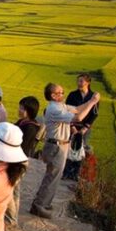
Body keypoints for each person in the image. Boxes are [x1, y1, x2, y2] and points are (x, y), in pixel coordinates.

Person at [30, 83, 100, 219]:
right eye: (60, 92)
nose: (63, 94)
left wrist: (90, 102)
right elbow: (78, 118)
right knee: (52, 177)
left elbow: (78, 109)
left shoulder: (60, 106)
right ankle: (39, 205)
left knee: (54, 177)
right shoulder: (54, 109)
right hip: (56, 146)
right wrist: (92, 102)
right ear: (53, 95)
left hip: (60, 145)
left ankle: (44, 202)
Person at [5, 96, 41, 225]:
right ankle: (10, 217)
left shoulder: (30, 127)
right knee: (13, 190)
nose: (19, 110)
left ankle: (11, 219)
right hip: (14, 160)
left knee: (11, 191)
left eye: (21, 108)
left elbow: (22, 146)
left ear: (28, 110)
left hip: (19, 161)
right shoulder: (22, 122)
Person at [63, 73, 99, 180]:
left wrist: (85, 128)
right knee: (69, 148)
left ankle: (76, 173)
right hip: (72, 126)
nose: (79, 83)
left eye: (81, 81)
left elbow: (94, 114)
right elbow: (68, 111)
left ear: (88, 83)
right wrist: (72, 127)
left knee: (81, 150)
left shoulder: (93, 97)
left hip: (85, 128)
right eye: (78, 81)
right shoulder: (72, 95)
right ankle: (66, 172)